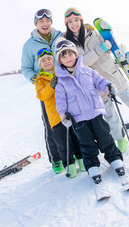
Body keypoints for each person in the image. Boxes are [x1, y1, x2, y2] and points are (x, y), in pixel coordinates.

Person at [63, 7, 129, 153]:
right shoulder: (68, 44)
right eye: (70, 22)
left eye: (76, 20)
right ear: (66, 24)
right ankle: (120, 138)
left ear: (81, 20)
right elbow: (81, 63)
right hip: (96, 83)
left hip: (112, 74)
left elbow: (110, 44)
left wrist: (109, 31)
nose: (74, 24)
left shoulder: (93, 33)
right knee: (110, 114)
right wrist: (100, 50)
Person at [54, 38, 128, 187]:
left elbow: (99, 81)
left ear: (75, 54)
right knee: (86, 144)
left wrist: (108, 86)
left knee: (105, 138)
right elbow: (60, 100)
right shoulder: (60, 81)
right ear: (60, 60)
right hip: (78, 119)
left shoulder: (87, 70)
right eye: (63, 56)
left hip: (96, 112)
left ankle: (114, 159)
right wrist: (63, 115)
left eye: (70, 54)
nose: (68, 58)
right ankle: (93, 166)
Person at [21, 9, 64, 174]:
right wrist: (36, 80)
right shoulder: (29, 45)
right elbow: (25, 68)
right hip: (46, 87)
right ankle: (57, 160)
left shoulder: (60, 36)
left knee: (73, 118)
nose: (44, 24)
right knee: (51, 123)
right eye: (41, 22)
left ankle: (76, 154)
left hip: (65, 83)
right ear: (36, 24)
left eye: (47, 20)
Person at [35, 48, 85, 178]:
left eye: (49, 59)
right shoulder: (40, 80)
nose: (46, 63)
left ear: (54, 60)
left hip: (70, 112)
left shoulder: (62, 72)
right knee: (63, 143)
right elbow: (42, 95)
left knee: (77, 138)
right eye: (43, 61)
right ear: (39, 64)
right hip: (56, 117)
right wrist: (51, 86)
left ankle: (83, 161)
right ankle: (70, 167)